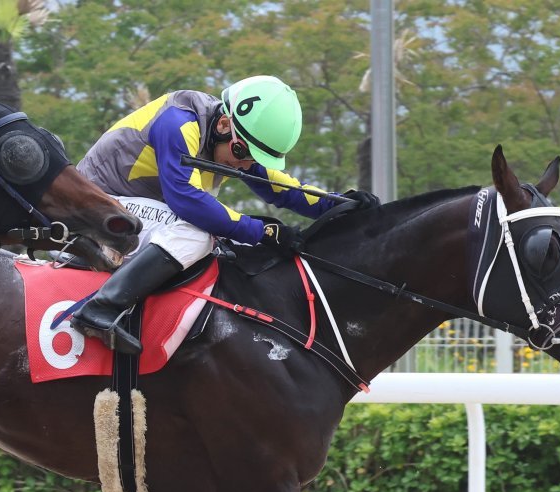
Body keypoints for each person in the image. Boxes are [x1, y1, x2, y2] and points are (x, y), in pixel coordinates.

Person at [71, 75, 380, 354]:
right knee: (198, 235)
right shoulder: (178, 123)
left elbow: (279, 187)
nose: (246, 165)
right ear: (223, 125)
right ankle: (100, 310)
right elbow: (186, 201)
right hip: (99, 209)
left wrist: (338, 204)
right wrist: (262, 230)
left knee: (240, 247)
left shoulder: (233, 136)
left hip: (138, 211)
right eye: (243, 154)